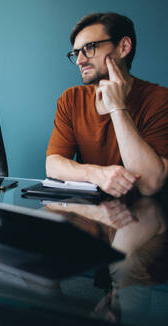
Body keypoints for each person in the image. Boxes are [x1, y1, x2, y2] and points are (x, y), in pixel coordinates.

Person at [46, 12, 168, 197]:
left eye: (89, 48)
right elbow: (53, 165)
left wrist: (117, 109)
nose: (79, 60)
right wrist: (98, 174)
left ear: (124, 47)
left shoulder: (160, 99)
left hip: (144, 218)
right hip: (89, 214)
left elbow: (150, 184)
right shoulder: (71, 98)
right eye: (77, 53)